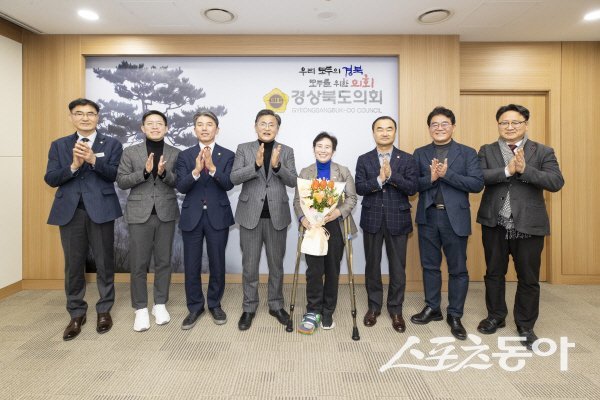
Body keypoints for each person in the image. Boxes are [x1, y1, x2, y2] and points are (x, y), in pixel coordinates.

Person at [476, 104, 564, 350]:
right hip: (495, 223)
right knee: (494, 272)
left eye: (515, 122)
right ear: (498, 125)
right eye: (504, 122)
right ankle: (496, 316)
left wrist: (526, 170)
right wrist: (507, 170)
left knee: (528, 277)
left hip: (529, 224)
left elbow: (556, 181)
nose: (510, 127)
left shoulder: (542, 151)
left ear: (526, 124)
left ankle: (525, 325)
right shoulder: (487, 150)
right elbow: (478, 178)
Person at [44, 98, 122, 341]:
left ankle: (104, 310)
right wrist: (73, 166)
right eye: (79, 113)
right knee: (73, 264)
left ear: (97, 117)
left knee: (104, 262)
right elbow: (51, 178)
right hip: (70, 212)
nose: (85, 118)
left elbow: (115, 174)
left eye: (90, 113)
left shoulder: (112, 144)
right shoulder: (59, 145)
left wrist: (93, 160)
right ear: (71, 117)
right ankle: (76, 313)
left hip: (101, 210)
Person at [411, 106, 484, 340]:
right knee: (430, 266)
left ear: (453, 126)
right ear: (429, 128)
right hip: (428, 216)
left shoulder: (467, 153)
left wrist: (447, 175)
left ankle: (455, 314)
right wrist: (431, 178)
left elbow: (476, 184)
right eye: (434, 124)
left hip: (456, 218)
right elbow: (412, 186)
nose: (439, 128)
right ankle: (433, 308)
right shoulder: (420, 153)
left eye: (444, 124)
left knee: (458, 269)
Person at [230, 109, 297, 331]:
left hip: (277, 216)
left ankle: (276, 305)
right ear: (255, 126)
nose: (267, 127)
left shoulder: (286, 150)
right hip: (250, 216)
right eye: (263, 123)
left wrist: (277, 166)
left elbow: (293, 181)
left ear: (277, 128)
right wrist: (256, 165)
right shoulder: (244, 149)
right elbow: (234, 177)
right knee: (250, 265)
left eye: (271, 124)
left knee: (276, 265)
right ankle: (249, 308)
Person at [116, 110, 180, 332]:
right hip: (139, 214)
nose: (155, 126)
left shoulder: (175, 153)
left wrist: (163, 173)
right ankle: (140, 308)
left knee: (164, 261)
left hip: (166, 213)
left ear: (166, 128)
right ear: (142, 128)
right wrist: (144, 172)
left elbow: (179, 182)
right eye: (150, 123)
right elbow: (122, 181)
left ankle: (159, 304)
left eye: (159, 123)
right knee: (138, 263)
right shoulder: (130, 152)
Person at [355, 116, 418, 333]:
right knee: (372, 266)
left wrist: (392, 177)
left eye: (389, 129)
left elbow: (412, 188)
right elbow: (359, 187)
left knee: (397, 268)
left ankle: (396, 310)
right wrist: (379, 180)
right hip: (372, 219)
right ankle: (374, 307)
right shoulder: (364, 159)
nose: (384, 132)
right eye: (380, 129)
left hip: (398, 219)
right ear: (373, 133)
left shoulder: (407, 159)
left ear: (394, 132)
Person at [293, 132, 357, 334]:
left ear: (333, 150)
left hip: (335, 225)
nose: (323, 150)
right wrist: (303, 219)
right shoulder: (305, 172)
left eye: (327, 147)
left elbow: (352, 198)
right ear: (314, 149)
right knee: (314, 271)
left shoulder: (343, 171)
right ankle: (313, 310)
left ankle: (328, 310)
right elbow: (297, 201)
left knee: (332, 269)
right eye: (319, 146)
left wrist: (337, 212)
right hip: (312, 227)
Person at [175, 111, 235, 330]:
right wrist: (196, 171)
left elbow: (228, 183)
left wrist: (212, 168)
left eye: (209, 124)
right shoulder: (185, 155)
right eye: (200, 124)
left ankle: (214, 304)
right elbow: (181, 186)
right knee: (191, 264)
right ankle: (195, 307)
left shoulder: (227, 155)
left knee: (217, 262)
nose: (204, 128)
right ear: (194, 130)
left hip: (217, 216)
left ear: (217, 129)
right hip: (192, 216)